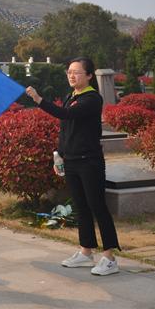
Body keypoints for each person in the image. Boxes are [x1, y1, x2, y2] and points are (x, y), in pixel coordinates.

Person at [26, 57, 120, 276]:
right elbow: (66, 128)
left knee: (98, 207)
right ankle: (86, 251)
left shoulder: (92, 99)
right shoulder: (71, 96)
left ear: (88, 76)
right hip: (72, 160)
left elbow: (66, 114)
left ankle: (109, 257)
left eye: (76, 72)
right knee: (81, 207)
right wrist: (60, 155)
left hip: (90, 162)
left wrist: (39, 100)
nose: (71, 75)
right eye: (69, 71)